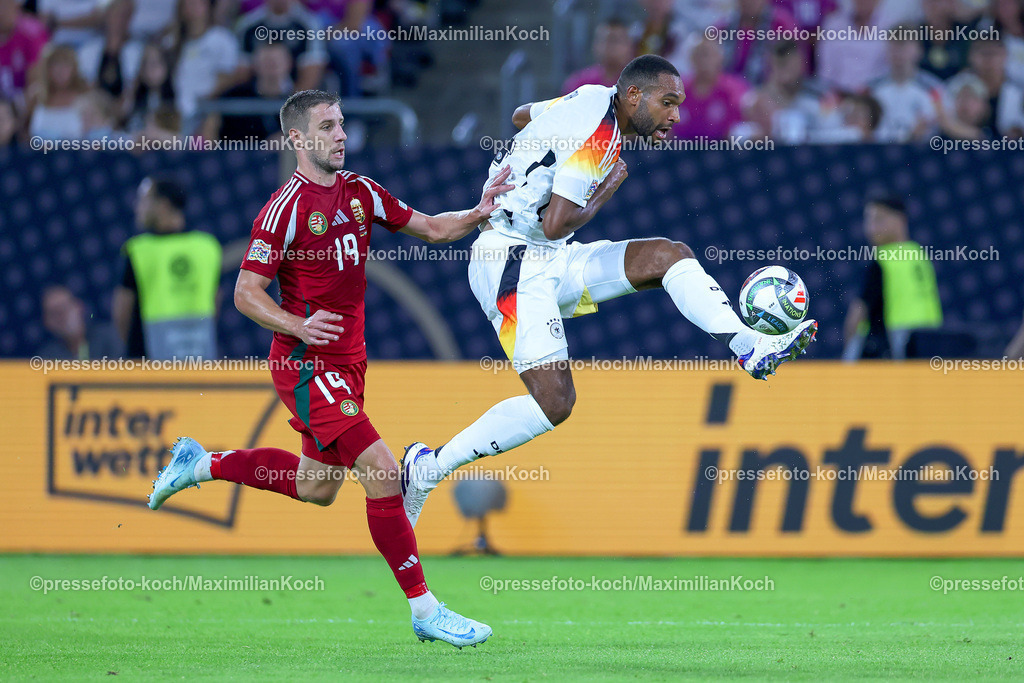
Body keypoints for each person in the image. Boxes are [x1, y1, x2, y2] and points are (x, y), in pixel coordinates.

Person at [147, 89, 514, 648]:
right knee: (383, 471)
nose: (341, 134)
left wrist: (479, 212)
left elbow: (433, 228)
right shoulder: (284, 208)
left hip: (349, 363)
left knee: (316, 487)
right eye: (327, 125)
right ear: (298, 139)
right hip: (303, 363)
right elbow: (246, 293)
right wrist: (296, 326)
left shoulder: (361, 192)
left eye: (342, 123)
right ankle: (425, 608)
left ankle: (202, 464)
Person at [400, 55, 817, 528]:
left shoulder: (590, 97)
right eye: (668, 103)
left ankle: (750, 346)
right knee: (554, 404)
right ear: (633, 96)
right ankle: (428, 467)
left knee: (668, 255)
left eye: (678, 105)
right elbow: (557, 223)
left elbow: (521, 115)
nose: (676, 116)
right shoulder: (597, 133)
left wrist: (532, 152)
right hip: (511, 261)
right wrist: (606, 189)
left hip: (546, 253)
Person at [113, 176, 223, 359]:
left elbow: (121, 313)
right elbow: (215, 302)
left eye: (143, 201)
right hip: (199, 356)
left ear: (162, 205)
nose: (137, 207)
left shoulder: (138, 250)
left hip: (148, 362)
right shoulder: (207, 246)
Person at [842, 195, 943, 360]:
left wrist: (848, 354)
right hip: (929, 348)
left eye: (879, 220)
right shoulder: (920, 256)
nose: (871, 228)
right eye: (868, 220)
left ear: (900, 220)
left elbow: (857, 312)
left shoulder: (883, 260)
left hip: (893, 350)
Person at [870, 25, 943, 143]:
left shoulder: (934, 89)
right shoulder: (871, 89)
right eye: (894, 45)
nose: (898, 51)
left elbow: (942, 124)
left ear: (919, 50)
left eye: (903, 44)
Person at [674, 37, 748, 139]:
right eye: (698, 55)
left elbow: (737, 128)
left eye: (707, 54)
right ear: (691, 59)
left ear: (720, 57)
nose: (703, 60)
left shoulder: (734, 89)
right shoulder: (677, 90)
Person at [817, 0, 890, 92]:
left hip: (874, 94)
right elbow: (826, 69)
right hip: (837, 94)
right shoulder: (833, 24)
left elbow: (886, 70)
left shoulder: (889, 27)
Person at [39, 285, 123, 360]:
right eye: (54, 313)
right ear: (47, 322)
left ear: (79, 307)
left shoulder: (109, 337)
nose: (61, 317)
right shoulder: (47, 357)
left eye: (64, 308)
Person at [561, 17, 635, 94]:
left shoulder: (640, 83)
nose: (607, 46)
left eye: (614, 40)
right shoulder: (579, 84)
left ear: (629, 45)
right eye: (603, 40)